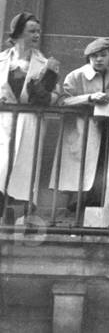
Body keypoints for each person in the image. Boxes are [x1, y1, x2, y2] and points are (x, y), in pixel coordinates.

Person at [0, 12, 60, 208]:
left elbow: (56, 96)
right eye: (31, 31)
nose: (36, 35)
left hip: (30, 121)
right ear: (17, 33)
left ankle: (18, 214)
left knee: (23, 170)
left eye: (38, 31)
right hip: (3, 120)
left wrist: (44, 96)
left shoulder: (46, 64)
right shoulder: (1, 60)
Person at [55, 37, 109, 201]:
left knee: (99, 171)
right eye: (94, 56)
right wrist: (89, 97)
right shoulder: (76, 76)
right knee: (79, 172)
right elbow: (62, 101)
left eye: (103, 55)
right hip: (81, 129)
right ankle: (75, 208)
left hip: (104, 129)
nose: (98, 59)